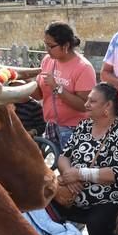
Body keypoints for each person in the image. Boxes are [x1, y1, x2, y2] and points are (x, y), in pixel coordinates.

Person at [55, 83, 118, 235]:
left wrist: (80, 174)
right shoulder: (84, 126)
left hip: (109, 197)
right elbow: (63, 156)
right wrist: (70, 174)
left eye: (92, 101)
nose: (86, 104)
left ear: (107, 106)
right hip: (71, 193)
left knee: (97, 224)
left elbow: (114, 174)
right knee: (45, 209)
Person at [32, 21, 96, 150]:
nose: (47, 50)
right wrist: (25, 84)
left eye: (51, 46)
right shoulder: (47, 60)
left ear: (66, 45)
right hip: (51, 126)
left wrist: (57, 88)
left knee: (71, 168)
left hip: (74, 129)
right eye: (46, 45)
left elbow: (85, 106)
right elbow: (39, 94)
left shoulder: (83, 68)